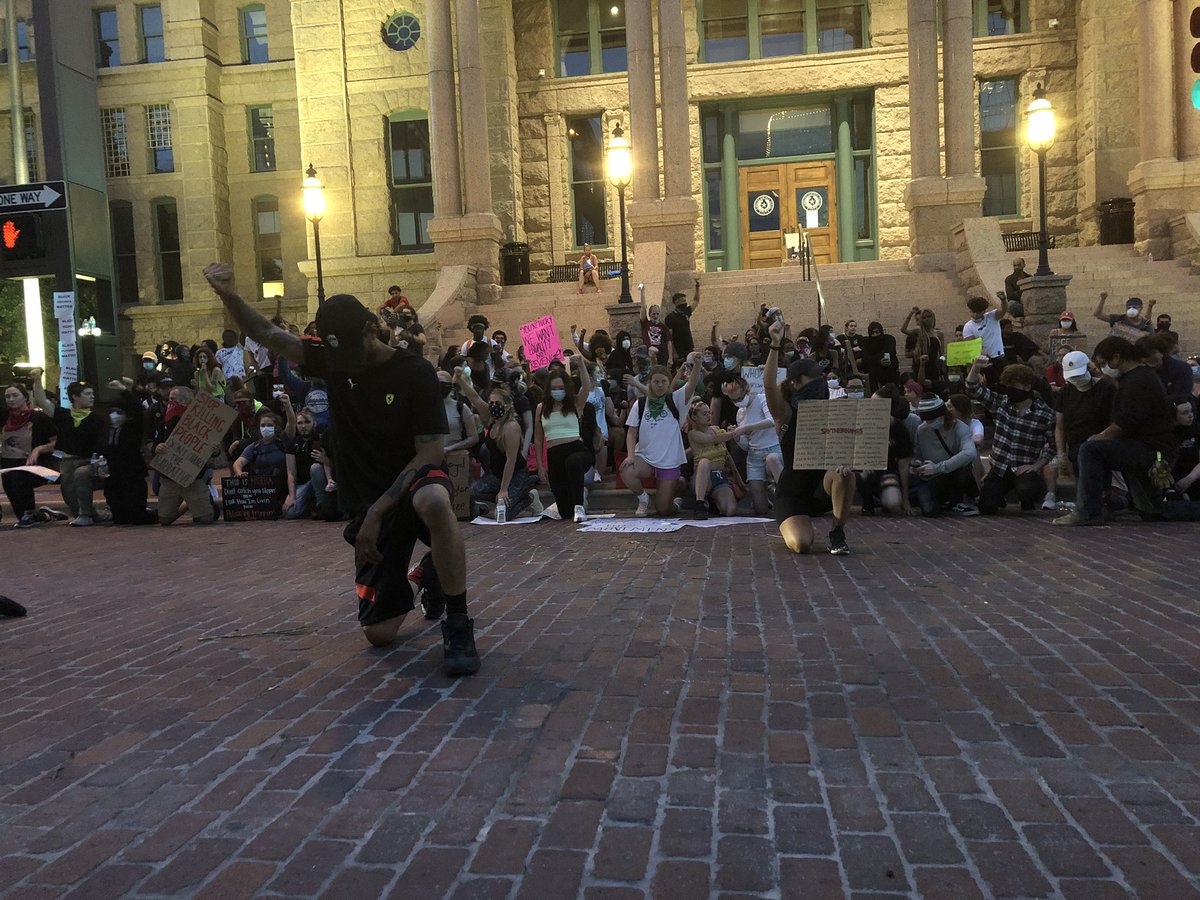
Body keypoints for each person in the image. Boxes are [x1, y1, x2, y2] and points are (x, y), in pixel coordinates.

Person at [206, 262, 480, 676]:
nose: (348, 361)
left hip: (412, 482)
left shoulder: (415, 372)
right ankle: (426, 575)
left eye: (354, 349)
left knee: (435, 501)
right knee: (379, 634)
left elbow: (430, 453)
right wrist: (228, 295)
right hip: (368, 494)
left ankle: (457, 624)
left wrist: (377, 512)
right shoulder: (332, 358)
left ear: (371, 329)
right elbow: (267, 333)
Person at [1055, 337, 1178, 526]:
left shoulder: (1137, 381)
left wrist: (1099, 437)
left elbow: (1125, 422)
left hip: (1150, 449)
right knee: (1153, 511)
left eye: (1104, 363)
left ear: (1116, 358)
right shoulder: (1137, 377)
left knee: (1091, 449)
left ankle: (1088, 512)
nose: (1103, 368)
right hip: (1152, 447)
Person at [764, 318, 854, 555]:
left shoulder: (831, 410)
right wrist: (775, 344)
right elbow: (769, 386)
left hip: (820, 488)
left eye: (820, 376)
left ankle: (837, 532)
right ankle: (794, 523)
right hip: (792, 494)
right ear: (795, 383)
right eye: (812, 378)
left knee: (845, 474)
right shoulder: (785, 414)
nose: (820, 381)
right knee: (801, 544)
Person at [965, 359, 1056, 514]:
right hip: (1000, 467)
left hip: (1024, 467)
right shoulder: (1001, 403)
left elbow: (1053, 445)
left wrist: (1036, 466)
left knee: (1027, 488)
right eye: (1008, 386)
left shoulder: (1045, 414)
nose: (1010, 390)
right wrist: (976, 366)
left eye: (1014, 386)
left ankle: (1029, 496)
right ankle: (999, 495)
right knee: (986, 507)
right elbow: (973, 388)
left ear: (1027, 386)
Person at [620, 352, 703, 517]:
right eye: (656, 381)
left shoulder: (676, 400)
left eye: (663, 381)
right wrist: (630, 456)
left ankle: (675, 502)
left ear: (668, 382)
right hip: (645, 456)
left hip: (668, 460)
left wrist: (698, 365)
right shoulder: (640, 404)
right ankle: (643, 499)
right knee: (627, 469)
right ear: (649, 383)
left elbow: (691, 384)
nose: (660, 385)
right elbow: (631, 432)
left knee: (663, 510)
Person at [459, 375, 542, 520]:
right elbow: (475, 398)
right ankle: (506, 497)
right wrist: (460, 379)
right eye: (491, 403)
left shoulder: (511, 427)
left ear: (507, 405)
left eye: (497, 403)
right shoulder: (491, 419)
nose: (493, 406)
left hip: (516, 474)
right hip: (496, 474)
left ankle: (529, 498)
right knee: (472, 492)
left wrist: (504, 490)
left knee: (503, 514)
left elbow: (511, 460)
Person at [30, 376, 106, 526]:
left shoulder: (98, 419)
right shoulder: (64, 415)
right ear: (75, 397)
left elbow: (103, 444)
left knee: (80, 474)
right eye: (87, 394)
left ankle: (87, 515)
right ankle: (94, 515)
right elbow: (42, 400)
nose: (92, 397)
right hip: (67, 461)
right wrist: (37, 379)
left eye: (92, 394)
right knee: (69, 492)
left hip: (89, 462)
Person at [533, 355, 594, 523]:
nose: (557, 391)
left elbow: (586, 387)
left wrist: (581, 365)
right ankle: (580, 495)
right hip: (554, 455)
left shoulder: (575, 404)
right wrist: (540, 466)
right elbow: (538, 439)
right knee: (565, 512)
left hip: (576, 449)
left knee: (573, 462)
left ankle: (579, 506)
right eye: (554, 388)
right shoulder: (541, 408)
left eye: (561, 387)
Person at [721, 374, 781, 516]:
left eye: (740, 398)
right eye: (734, 400)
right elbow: (746, 445)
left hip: (773, 449)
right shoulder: (740, 413)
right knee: (760, 508)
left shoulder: (762, 399)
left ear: (746, 391)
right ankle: (767, 499)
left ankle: (786, 497)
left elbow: (773, 420)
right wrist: (736, 437)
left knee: (772, 459)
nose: (738, 402)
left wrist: (747, 428)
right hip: (754, 455)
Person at [1053, 350, 1117, 484]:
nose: (1076, 380)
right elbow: (1060, 426)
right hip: (1076, 448)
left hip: (1102, 446)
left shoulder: (1106, 388)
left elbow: (1116, 420)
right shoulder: (1065, 393)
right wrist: (1061, 453)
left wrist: (1102, 436)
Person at [1, 382, 58, 528]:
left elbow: (56, 443)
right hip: (9, 464)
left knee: (18, 476)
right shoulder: (4, 418)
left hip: (38, 465)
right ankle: (41, 515)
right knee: (8, 479)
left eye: (15, 395)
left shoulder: (39, 417)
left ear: (25, 397)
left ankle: (30, 513)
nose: (11, 399)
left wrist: (38, 449)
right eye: (7, 396)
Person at [911, 397, 978, 517]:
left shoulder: (960, 428)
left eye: (932, 419)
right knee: (929, 510)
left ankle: (956, 501)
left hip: (951, 472)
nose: (929, 423)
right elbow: (918, 455)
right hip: (931, 478)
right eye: (927, 420)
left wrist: (938, 467)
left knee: (964, 467)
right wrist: (917, 465)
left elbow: (969, 453)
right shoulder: (921, 430)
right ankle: (942, 502)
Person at [96, 392, 156, 525]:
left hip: (131, 475)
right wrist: (99, 465)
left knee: (136, 517)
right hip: (112, 476)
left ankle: (147, 513)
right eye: (112, 411)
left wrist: (124, 390)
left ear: (127, 415)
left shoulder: (132, 429)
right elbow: (99, 450)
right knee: (119, 518)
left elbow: (137, 409)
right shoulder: (105, 430)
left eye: (119, 412)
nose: (114, 415)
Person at [684, 399, 739, 519]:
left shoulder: (716, 429)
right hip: (703, 477)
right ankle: (700, 503)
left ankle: (714, 502)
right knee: (704, 462)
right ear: (694, 417)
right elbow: (714, 439)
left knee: (730, 510)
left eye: (710, 413)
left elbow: (726, 453)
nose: (709, 416)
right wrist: (735, 433)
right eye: (704, 414)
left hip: (719, 475)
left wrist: (737, 478)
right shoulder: (693, 434)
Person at [1136, 333, 1195, 405]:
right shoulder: (1140, 373)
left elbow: (1181, 396)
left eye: (1153, 353)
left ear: (1162, 352)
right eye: (1145, 356)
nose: (1150, 358)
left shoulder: (1182, 369)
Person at [962, 294, 1006, 383]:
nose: (975, 315)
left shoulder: (992, 316)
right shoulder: (968, 327)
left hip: (999, 358)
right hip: (984, 362)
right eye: (972, 312)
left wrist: (1003, 300)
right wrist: (982, 353)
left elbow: (1003, 310)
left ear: (984, 311)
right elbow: (970, 347)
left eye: (978, 312)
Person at [901, 307, 945, 390]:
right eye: (924, 317)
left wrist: (942, 362)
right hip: (921, 363)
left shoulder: (939, 333)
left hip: (934, 364)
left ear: (933, 317)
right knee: (921, 387)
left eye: (929, 316)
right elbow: (903, 330)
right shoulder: (919, 331)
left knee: (934, 387)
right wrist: (911, 313)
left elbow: (941, 352)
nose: (927, 319)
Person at [664, 279, 700, 364]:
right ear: (677, 302)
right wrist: (673, 352)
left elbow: (696, 301)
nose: (685, 303)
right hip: (679, 347)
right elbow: (669, 336)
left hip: (689, 344)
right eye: (683, 301)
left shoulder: (686, 312)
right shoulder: (670, 317)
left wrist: (697, 287)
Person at [1170, 400, 1200, 500]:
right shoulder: (1166, 435)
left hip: (1194, 474)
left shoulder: (1196, 429)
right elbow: (1159, 458)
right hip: (1173, 476)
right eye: (1184, 413)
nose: (1190, 415)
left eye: (1191, 411)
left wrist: (1189, 479)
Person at [860, 321, 899, 392]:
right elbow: (865, 358)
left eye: (877, 332)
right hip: (875, 368)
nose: (875, 335)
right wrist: (878, 361)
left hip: (890, 367)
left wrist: (880, 359)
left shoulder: (889, 339)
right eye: (872, 333)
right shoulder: (867, 342)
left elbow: (890, 351)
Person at [640, 291, 672, 366]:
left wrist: (670, 358)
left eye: (657, 314)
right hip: (650, 352)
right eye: (653, 314)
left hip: (662, 354)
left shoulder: (663, 327)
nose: (656, 316)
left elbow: (669, 342)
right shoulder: (646, 324)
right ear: (649, 314)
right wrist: (642, 292)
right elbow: (643, 307)